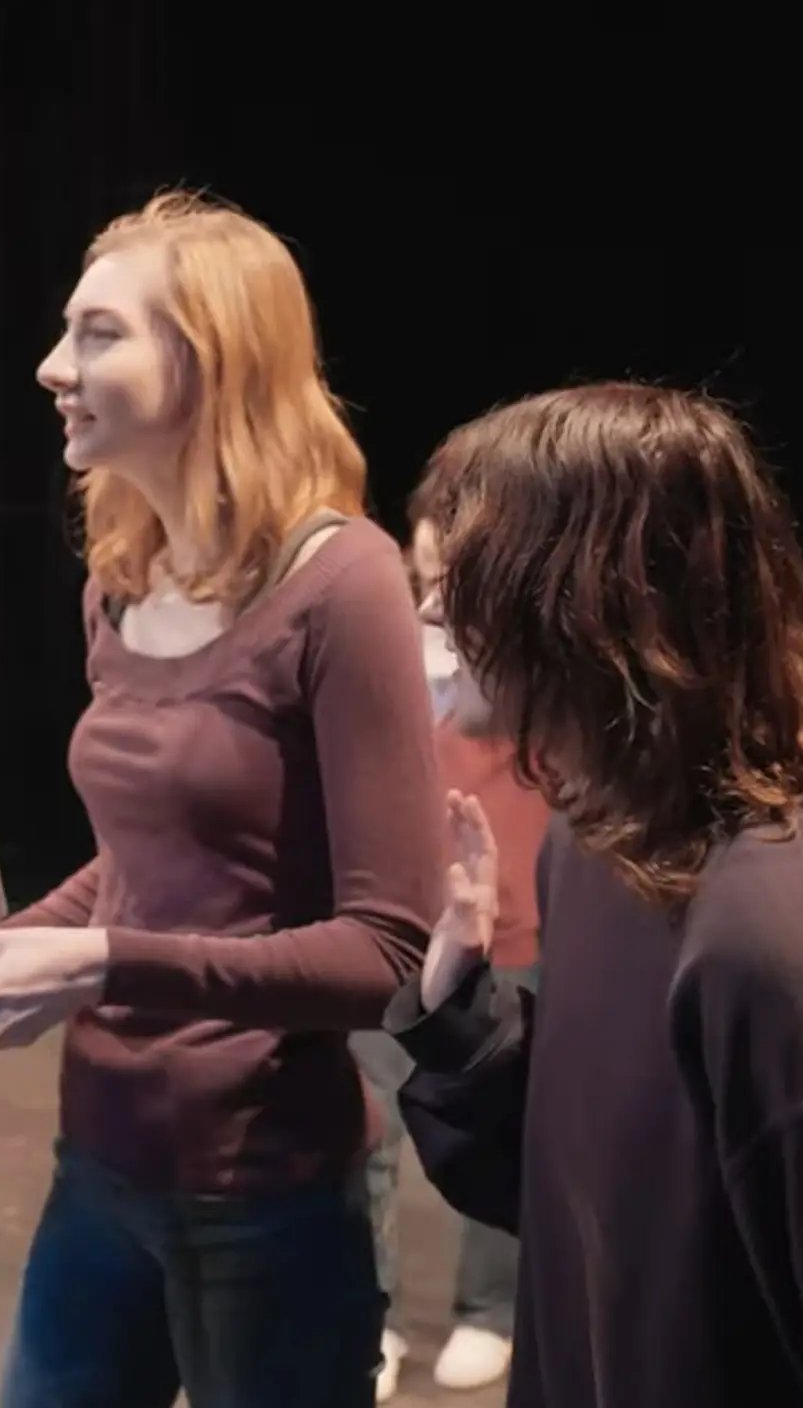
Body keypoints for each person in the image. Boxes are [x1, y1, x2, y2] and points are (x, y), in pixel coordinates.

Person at [389, 383, 803, 1408]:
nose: (433, 608)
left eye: (468, 573)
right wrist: (463, 1016)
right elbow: (605, 1216)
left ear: (586, 594)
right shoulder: (594, 845)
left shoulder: (782, 944)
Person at [0, 191, 447, 1408]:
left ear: (209, 358)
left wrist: (98, 962)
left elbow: (388, 951)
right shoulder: (123, 574)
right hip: (101, 1157)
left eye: (98, 334)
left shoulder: (342, 583)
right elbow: (144, 870)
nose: (51, 367)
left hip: (265, 1184)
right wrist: (8, 949)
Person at [349, 454, 552, 1400]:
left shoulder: (524, 680)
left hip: (521, 935)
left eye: (449, 580)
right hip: (398, 938)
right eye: (421, 575)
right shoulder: (389, 662)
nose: (432, 602)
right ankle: (377, 1313)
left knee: (507, 1125)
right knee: (372, 1138)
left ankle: (490, 1309)